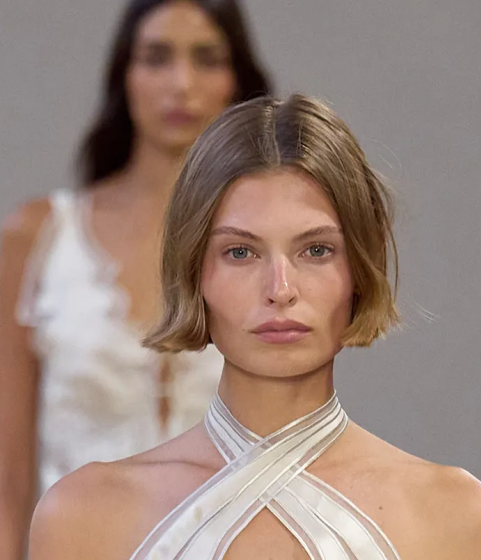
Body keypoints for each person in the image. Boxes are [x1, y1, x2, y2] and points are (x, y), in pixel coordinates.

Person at [28, 94, 481, 559]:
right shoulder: (82, 516)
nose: (280, 289)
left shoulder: (460, 519)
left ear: (360, 270)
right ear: (193, 271)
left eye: (316, 250)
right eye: (241, 252)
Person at [0, 1, 271, 558]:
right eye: (156, 57)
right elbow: (7, 482)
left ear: (236, 80)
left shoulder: (271, 247)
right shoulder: (41, 238)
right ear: (124, 74)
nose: (181, 84)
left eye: (207, 58)